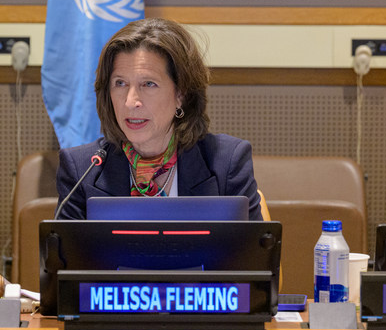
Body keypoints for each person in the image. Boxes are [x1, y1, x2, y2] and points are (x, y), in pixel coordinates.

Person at [55, 18, 263, 220]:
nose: (130, 101)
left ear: (181, 94)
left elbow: (253, 254)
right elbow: (64, 255)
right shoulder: (82, 170)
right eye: (120, 83)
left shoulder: (226, 163)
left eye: (148, 84)